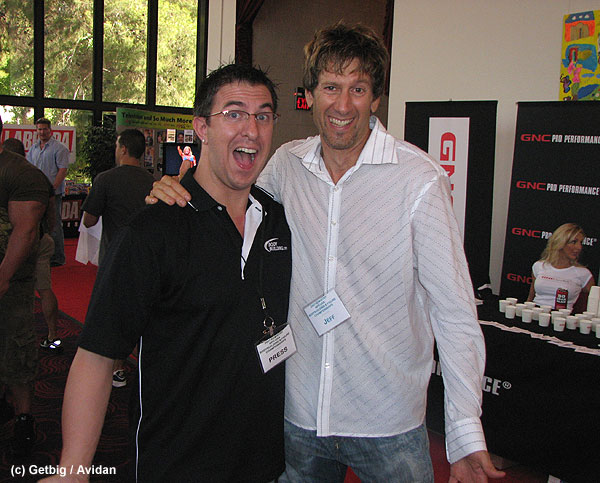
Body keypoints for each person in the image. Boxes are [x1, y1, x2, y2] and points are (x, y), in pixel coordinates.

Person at [149, 22, 505, 482]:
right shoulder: (286, 166)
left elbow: (454, 312)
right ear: (311, 95)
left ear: (376, 99)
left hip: (388, 422)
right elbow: (228, 196)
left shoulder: (418, 180)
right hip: (298, 416)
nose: (342, 105)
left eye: (358, 88)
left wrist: (464, 432)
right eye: (331, 87)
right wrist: (175, 187)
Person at [42, 64, 291, 482]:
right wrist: (73, 468)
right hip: (178, 463)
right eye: (234, 113)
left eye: (263, 116)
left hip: (263, 463)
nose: (251, 129)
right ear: (202, 128)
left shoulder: (278, 220)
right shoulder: (153, 230)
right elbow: (97, 354)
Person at [81, 128, 155, 387]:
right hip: (148, 260)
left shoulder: (105, 179)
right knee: (145, 313)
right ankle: (146, 367)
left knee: (114, 316)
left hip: (115, 258)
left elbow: (89, 220)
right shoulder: (153, 181)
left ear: (123, 149)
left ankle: (117, 368)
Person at [0, 117, 50, 456]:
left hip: (12, 286)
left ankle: (23, 419)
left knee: (16, 349)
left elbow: (26, 230)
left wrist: (3, 277)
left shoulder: (20, 174)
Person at [3, 138, 61, 351]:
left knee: (25, 295)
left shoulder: (21, 176)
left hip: (30, 241)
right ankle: (53, 335)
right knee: (44, 289)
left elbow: (25, 230)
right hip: (40, 239)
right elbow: (52, 214)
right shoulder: (37, 176)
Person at [26, 117, 70, 266]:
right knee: (37, 224)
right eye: (39, 129)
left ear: (50, 130)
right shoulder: (33, 149)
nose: (42, 132)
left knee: (54, 225)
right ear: (36, 130)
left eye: (45, 129)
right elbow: (30, 169)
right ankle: (40, 255)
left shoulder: (59, 148)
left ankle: (57, 257)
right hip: (36, 193)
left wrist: (53, 188)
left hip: (53, 194)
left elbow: (62, 170)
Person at [527, 223, 595, 312]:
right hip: (536, 314)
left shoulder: (583, 274)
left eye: (580, 242)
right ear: (560, 243)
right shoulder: (539, 266)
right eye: (574, 242)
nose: (579, 247)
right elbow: (530, 298)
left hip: (562, 317)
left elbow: (596, 303)